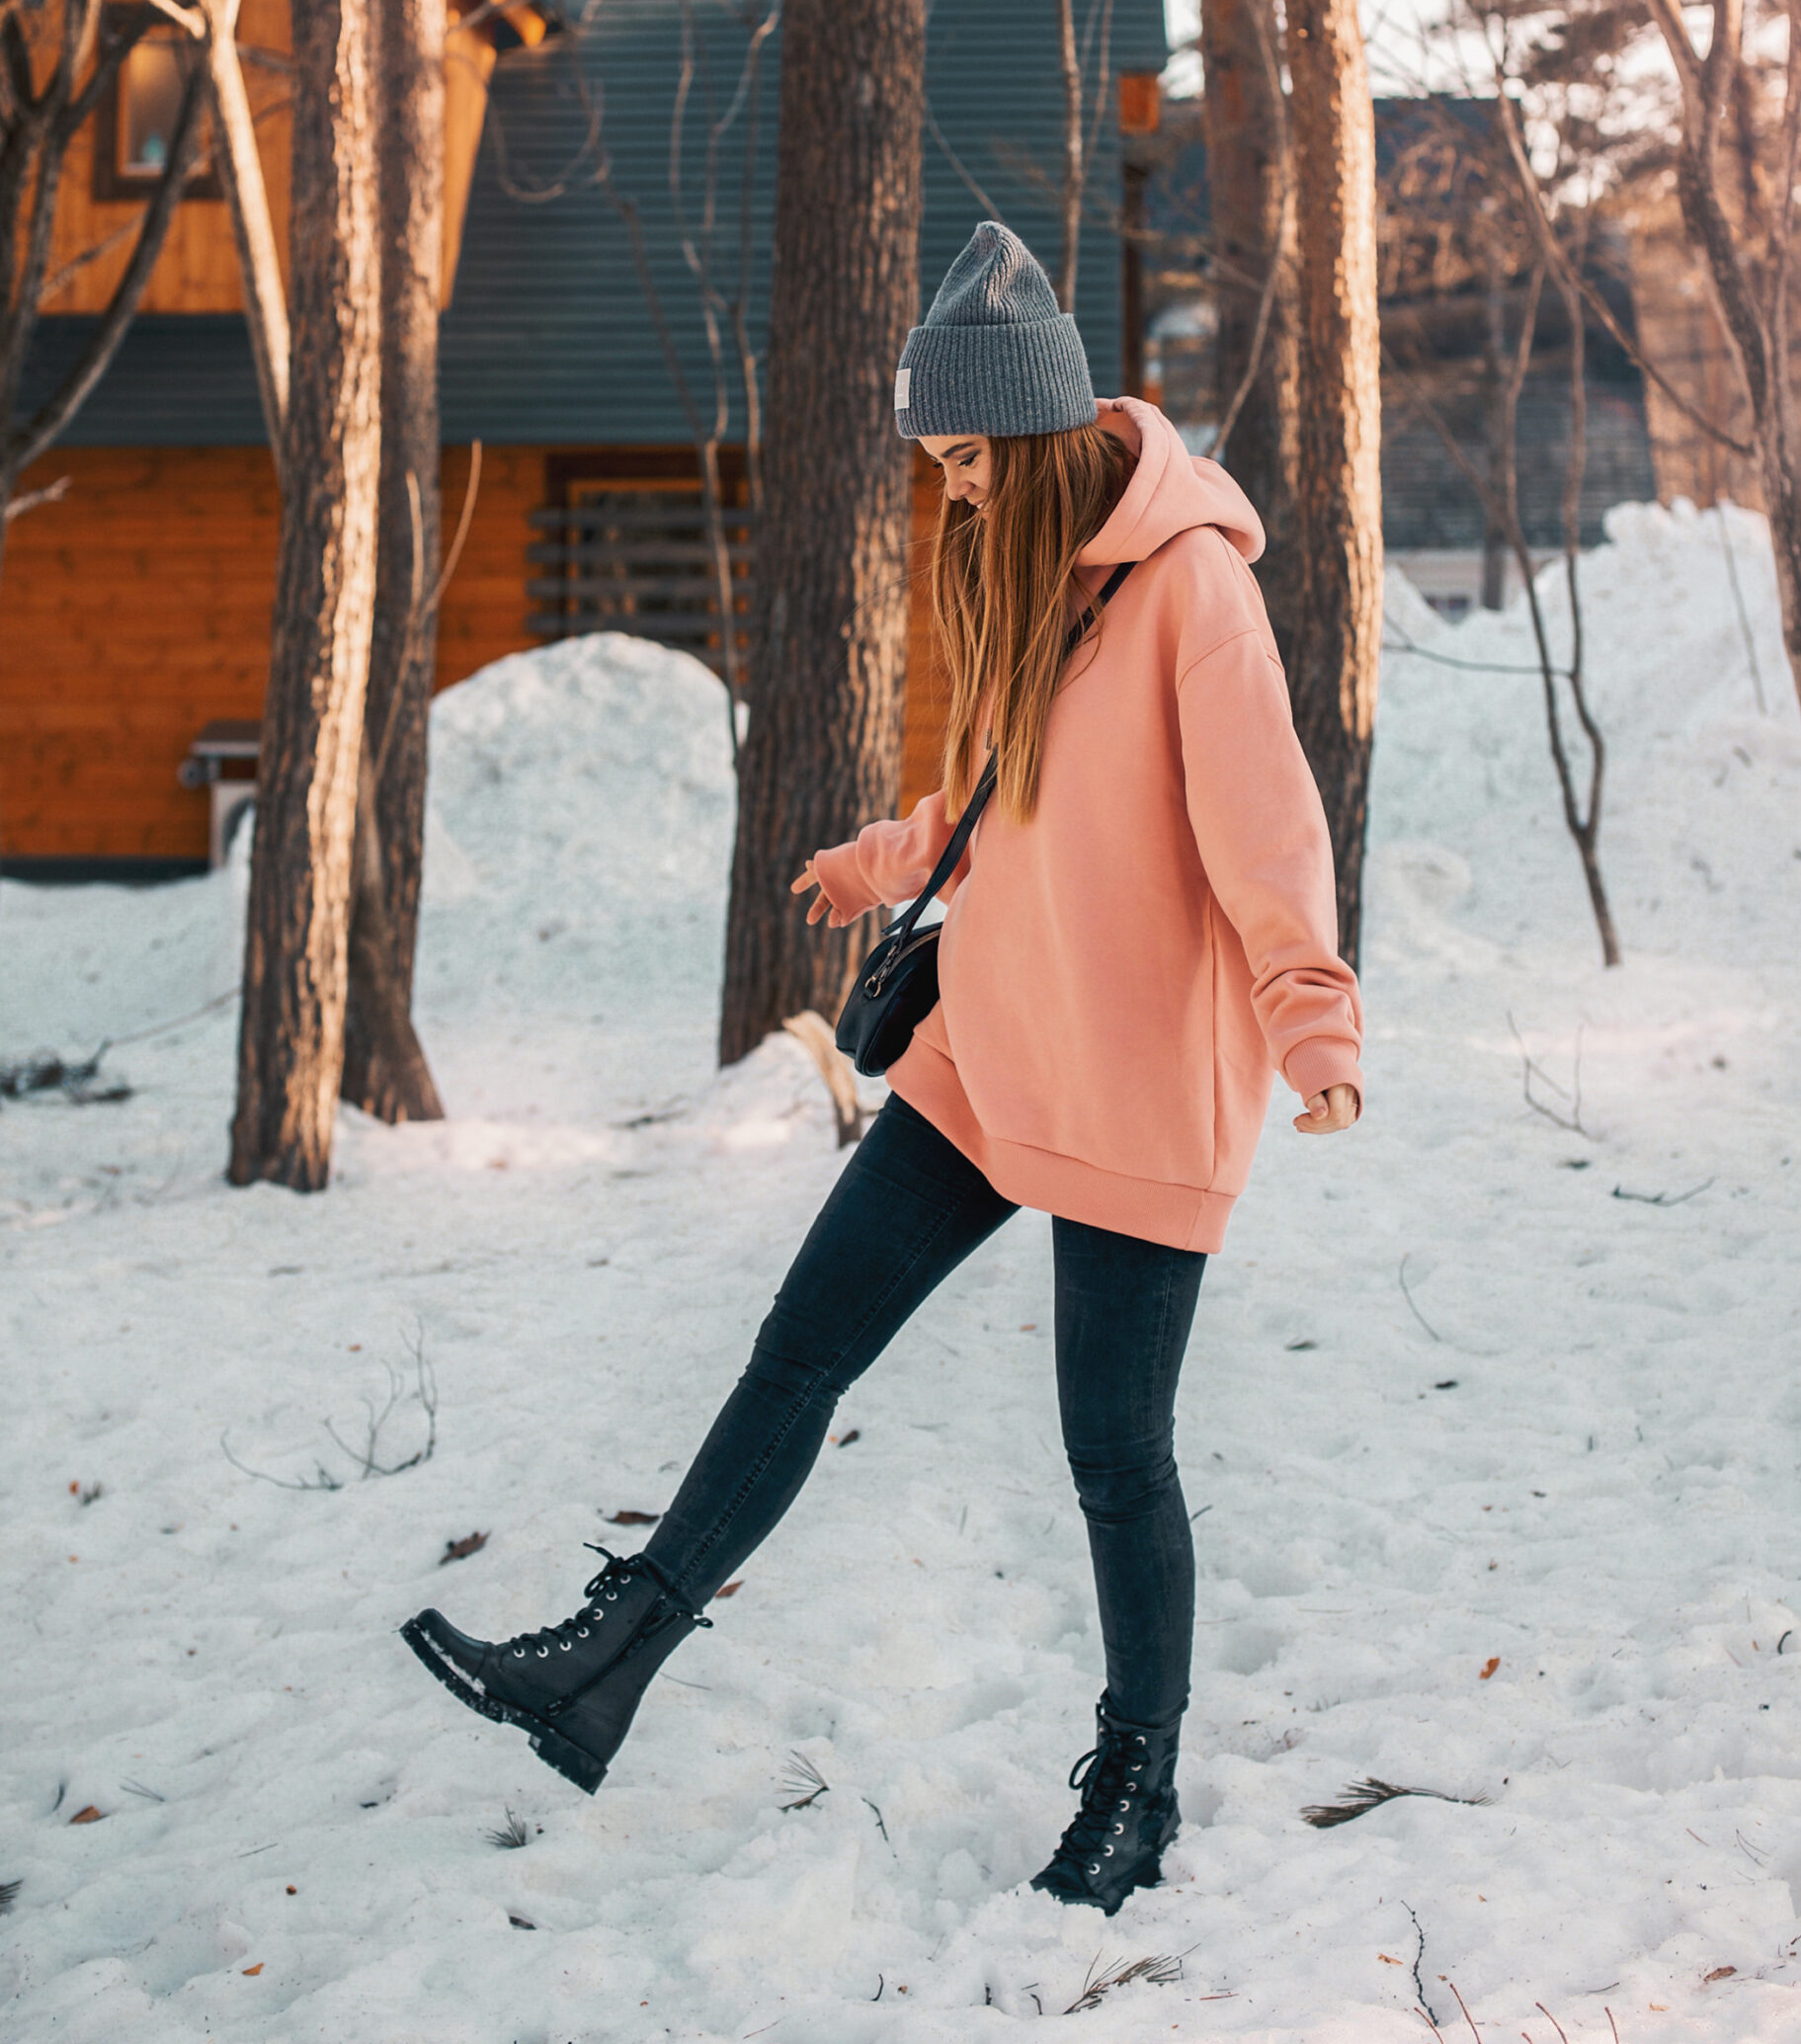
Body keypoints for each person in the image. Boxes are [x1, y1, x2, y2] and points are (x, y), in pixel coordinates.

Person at [402, 221, 1363, 1916]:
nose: (953, 489)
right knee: (797, 1355)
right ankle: (605, 1659)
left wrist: (1313, 1023)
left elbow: (1267, 835)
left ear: (1042, 436)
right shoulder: (1029, 574)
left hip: (1140, 1086)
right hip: (989, 1057)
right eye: (937, 462)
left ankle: (1138, 1783)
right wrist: (875, 858)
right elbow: (1002, 791)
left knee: (1112, 1455)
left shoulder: (1192, 592)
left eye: (966, 457)